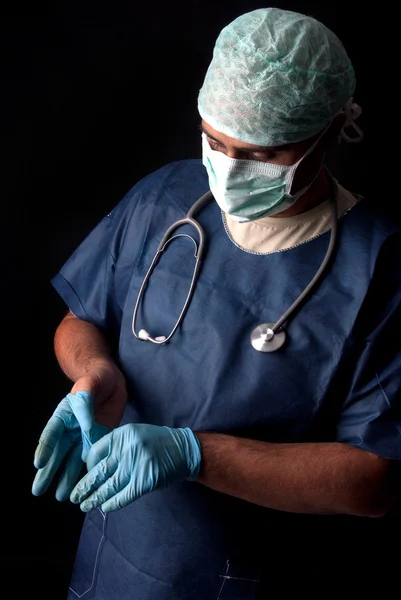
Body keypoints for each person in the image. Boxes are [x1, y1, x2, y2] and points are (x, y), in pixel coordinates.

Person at [32, 7, 400, 600]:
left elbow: (375, 480)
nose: (229, 170)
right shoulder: (164, 197)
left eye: (263, 155)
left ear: (332, 131)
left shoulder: (377, 269)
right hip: (118, 553)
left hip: (251, 572)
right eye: (215, 142)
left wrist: (194, 454)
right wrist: (92, 374)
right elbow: (81, 319)